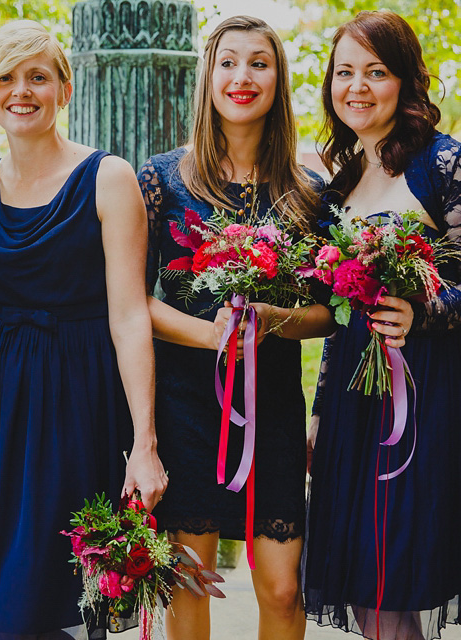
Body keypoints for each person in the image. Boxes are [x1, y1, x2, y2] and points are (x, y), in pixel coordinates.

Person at [0, 20, 166, 639]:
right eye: (6, 78)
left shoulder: (108, 177)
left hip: (78, 392)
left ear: (64, 90)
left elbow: (129, 315)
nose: (22, 90)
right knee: (8, 576)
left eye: (38, 76)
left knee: (63, 577)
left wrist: (143, 443)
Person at [302, 10, 461, 640]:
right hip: (354, 388)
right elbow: (343, 315)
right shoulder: (340, 180)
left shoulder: (447, 164)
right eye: (345, 72)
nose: (358, 86)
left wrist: (421, 311)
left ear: (406, 82)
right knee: (369, 573)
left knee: (398, 566)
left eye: (376, 71)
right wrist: (320, 411)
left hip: (430, 388)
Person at [138, 15, 332, 640]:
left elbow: (329, 313)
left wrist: (272, 322)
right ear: (208, 76)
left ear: (278, 78)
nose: (241, 77)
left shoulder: (308, 192)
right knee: (191, 580)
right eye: (228, 62)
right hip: (185, 403)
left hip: (272, 405)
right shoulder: (162, 179)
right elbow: (132, 302)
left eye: (259, 62)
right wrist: (211, 335)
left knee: (281, 586)